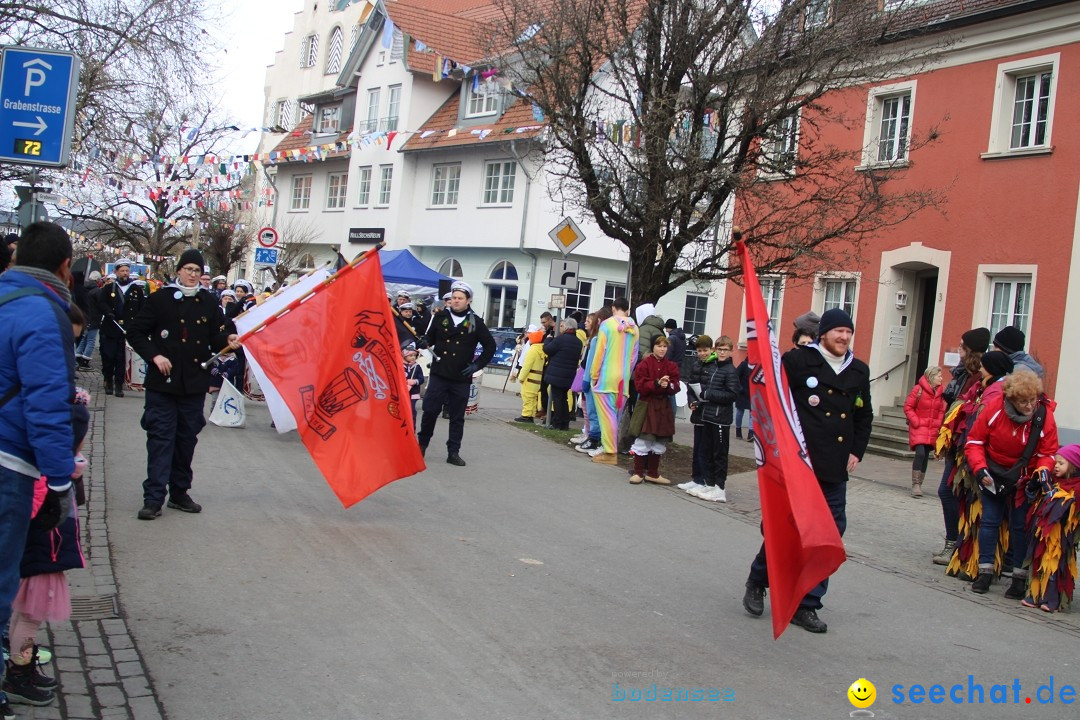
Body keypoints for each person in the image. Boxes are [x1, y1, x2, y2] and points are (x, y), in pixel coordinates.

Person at [742, 308, 872, 634]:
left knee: (826, 537)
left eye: (848, 332)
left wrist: (856, 449)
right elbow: (774, 398)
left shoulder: (858, 370)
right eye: (838, 331)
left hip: (834, 469)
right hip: (799, 466)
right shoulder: (799, 362)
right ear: (823, 333)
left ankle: (808, 604)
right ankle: (759, 580)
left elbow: (863, 416)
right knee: (787, 530)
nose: (844, 337)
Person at [0, 223, 76, 711]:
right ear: (65, 266)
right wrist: (60, 480)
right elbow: (46, 406)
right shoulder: (42, 310)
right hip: (10, 463)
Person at [126, 248, 240, 520]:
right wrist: (154, 355)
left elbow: (216, 336)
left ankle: (179, 492)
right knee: (160, 439)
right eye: (188, 269)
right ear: (178, 271)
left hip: (193, 384)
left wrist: (228, 341)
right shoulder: (160, 299)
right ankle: (153, 498)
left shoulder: (208, 302)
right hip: (163, 384)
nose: (193, 275)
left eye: (197, 271)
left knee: (186, 439)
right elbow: (136, 331)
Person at [964, 368, 1057, 596]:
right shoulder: (994, 408)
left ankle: (1018, 577)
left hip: (1024, 478)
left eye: (1032, 400)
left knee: (1020, 526)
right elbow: (974, 441)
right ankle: (985, 572)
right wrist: (980, 469)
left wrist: (1042, 472)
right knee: (989, 521)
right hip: (992, 473)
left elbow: (1049, 451)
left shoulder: (1043, 415)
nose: (1029, 406)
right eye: (1023, 401)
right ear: (1011, 399)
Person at [944, 350, 1015, 581]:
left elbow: (979, 424)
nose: (981, 370)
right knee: (977, 514)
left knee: (982, 514)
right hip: (977, 458)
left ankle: (979, 565)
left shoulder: (995, 392)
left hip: (983, 462)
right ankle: (972, 562)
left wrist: (964, 407)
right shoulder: (987, 387)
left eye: (984, 366)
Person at [416, 281, 496, 466]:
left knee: (457, 417)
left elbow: (490, 346)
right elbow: (430, 338)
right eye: (453, 298)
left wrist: (477, 366)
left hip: (460, 376)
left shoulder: (475, 321)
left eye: (460, 298)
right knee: (430, 411)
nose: (456, 301)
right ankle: (422, 444)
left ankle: (453, 452)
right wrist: (424, 341)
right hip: (440, 373)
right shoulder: (440, 316)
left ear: (468, 300)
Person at [931, 328, 989, 564]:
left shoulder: (976, 378)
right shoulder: (962, 375)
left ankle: (954, 544)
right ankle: (954, 543)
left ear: (969, 351)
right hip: (954, 441)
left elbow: (967, 409)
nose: (958, 348)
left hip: (964, 442)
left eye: (962, 346)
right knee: (950, 491)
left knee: (949, 491)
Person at [1022, 445, 1080, 612]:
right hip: (1042, 532)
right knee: (1037, 561)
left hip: (1060, 537)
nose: (1056, 466)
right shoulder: (1054, 481)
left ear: (1074, 466)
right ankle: (1034, 594)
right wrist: (1033, 486)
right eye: (1056, 462)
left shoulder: (1077, 487)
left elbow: (1065, 509)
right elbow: (1033, 499)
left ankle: (1051, 599)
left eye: (1061, 463)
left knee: (1054, 566)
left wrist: (1051, 493)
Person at [684, 336, 739, 501]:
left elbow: (732, 394)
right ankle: (709, 484)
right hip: (708, 416)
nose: (722, 352)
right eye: (719, 349)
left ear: (730, 351)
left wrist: (709, 394)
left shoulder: (730, 370)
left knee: (719, 454)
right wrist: (699, 398)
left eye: (725, 350)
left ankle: (720, 488)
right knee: (707, 452)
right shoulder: (715, 367)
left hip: (721, 418)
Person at [588, 298, 639, 464]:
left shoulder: (607, 325)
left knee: (607, 416)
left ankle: (610, 452)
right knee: (614, 416)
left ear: (613, 308)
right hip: (622, 380)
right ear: (628, 309)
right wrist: (626, 374)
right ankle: (608, 448)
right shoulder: (634, 328)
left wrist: (594, 375)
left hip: (606, 377)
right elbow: (633, 357)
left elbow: (599, 353)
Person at [627, 334, 680, 484]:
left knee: (659, 442)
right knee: (644, 439)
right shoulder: (643, 365)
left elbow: (676, 385)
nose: (662, 349)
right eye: (659, 346)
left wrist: (667, 385)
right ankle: (638, 472)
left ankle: (652, 473)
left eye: (664, 346)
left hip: (663, 407)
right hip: (647, 405)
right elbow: (640, 386)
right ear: (653, 347)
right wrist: (656, 383)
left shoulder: (671, 366)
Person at [92, 258, 147, 397]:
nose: (125, 273)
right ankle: (108, 380)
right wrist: (108, 312)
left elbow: (142, 309)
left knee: (122, 359)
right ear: (116, 272)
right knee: (109, 357)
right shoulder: (109, 288)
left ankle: (118, 385)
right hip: (111, 328)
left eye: (127, 271)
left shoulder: (136, 290)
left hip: (127, 330)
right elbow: (101, 303)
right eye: (122, 271)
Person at [903, 366, 946, 498]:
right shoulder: (918, 389)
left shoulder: (940, 393)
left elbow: (941, 410)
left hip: (932, 428)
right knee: (920, 453)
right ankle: (915, 484)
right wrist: (916, 421)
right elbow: (908, 406)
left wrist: (938, 423)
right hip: (919, 427)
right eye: (939, 376)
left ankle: (919, 484)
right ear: (931, 377)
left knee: (926, 455)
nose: (941, 378)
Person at [679, 334, 714, 494]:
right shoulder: (696, 365)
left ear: (711, 349)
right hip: (697, 410)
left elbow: (713, 389)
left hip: (708, 411)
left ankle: (704, 479)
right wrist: (692, 401)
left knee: (705, 448)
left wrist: (701, 401)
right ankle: (696, 478)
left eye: (705, 350)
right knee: (697, 446)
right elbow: (691, 387)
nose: (702, 353)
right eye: (699, 351)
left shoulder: (714, 366)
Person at [575, 308, 611, 454]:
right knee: (594, 411)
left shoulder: (597, 339)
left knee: (592, 411)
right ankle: (594, 437)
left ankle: (594, 439)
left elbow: (591, 361)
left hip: (593, 379)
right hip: (602, 379)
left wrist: (587, 379)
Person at [543, 318, 583, 431]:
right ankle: (565, 423)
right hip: (569, 374)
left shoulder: (560, 339)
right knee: (563, 398)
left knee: (558, 399)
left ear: (566, 327)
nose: (560, 328)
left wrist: (548, 340)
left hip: (557, 373)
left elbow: (547, 349)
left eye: (561, 326)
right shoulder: (578, 342)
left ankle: (558, 423)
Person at [513, 329, 546, 423]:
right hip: (538, 378)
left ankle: (526, 415)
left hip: (529, 377)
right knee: (533, 397)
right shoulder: (542, 349)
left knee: (527, 397)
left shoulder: (532, 350)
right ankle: (531, 414)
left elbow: (526, 366)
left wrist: (521, 377)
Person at [403, 345, 425, 429]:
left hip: (413, 393)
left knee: (411, 410)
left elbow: (421, 379)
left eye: (414, 356)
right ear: (405, 356)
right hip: (403, 392)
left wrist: (414, 381)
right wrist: (405, 383)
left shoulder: (417, 367)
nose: (413, 357)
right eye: (410, 355)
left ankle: (412, 428)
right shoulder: (401, 366)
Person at [735, 353, 753, 442]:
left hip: (753, 394)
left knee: (752, 414)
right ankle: (738, 430)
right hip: (742, 393)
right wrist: (740, 388)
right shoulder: (744, 364)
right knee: (739, 412)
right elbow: (736, 376)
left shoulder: (758, 366)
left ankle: (751, 433)